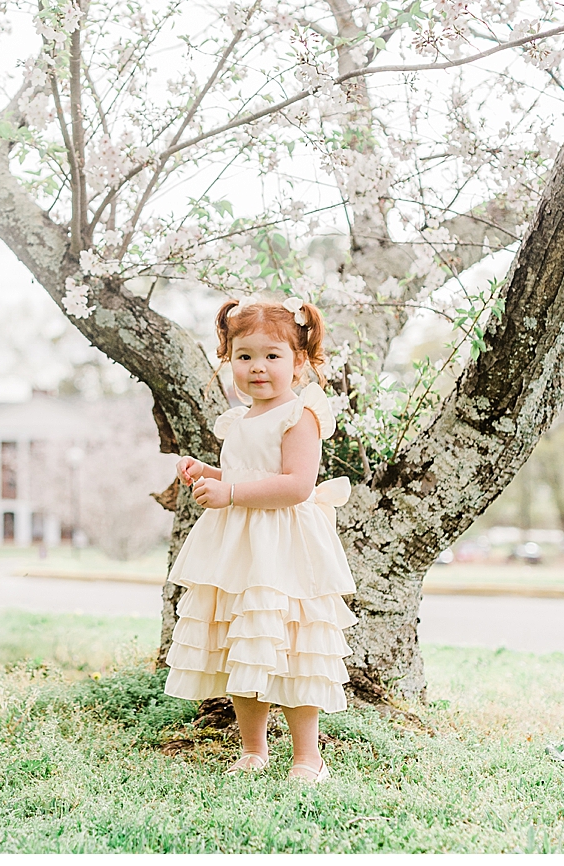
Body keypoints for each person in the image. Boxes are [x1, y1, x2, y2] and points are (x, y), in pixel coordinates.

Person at [167, 298, 354, 786]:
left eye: (272, 355)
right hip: (241, 549)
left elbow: (295, 485)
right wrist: (209, 473)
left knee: (294, 650)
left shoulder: (301, 414)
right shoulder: (240, 419)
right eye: (244, 356)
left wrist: (229, 492)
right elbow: (243, 472)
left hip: (285, 547)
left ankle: (307, 755)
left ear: (300, 360)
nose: (257, 368)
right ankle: (254, 747)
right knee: (244, 647)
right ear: (228, 359)